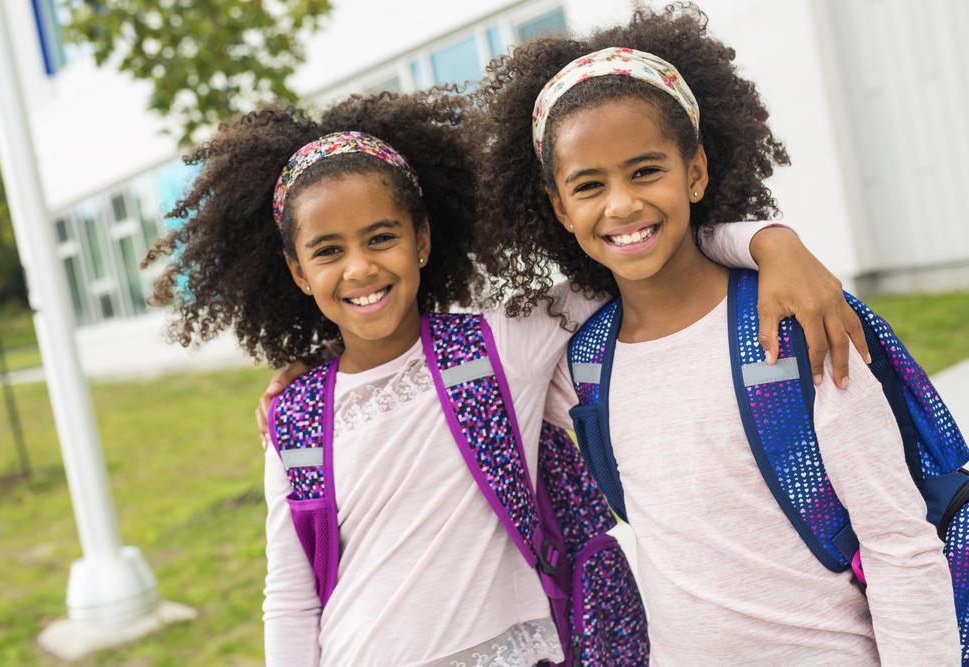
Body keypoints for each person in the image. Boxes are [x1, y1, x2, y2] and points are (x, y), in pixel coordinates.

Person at [152, 88, 861, 665]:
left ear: (423, 239)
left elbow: (630, 251)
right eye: (329, 251)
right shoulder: (297, 417)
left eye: (381, 238)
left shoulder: (499, 345)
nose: (360, 268)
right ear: (298, 272)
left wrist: (769, 241)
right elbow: (290, 594)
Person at [472, 3, 961, 664]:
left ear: (695, 171)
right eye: (589, 185)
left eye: (646, 171)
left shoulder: (792, 321)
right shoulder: (583, 364)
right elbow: (434, 344)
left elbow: (898, 541)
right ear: (559, 208)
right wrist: (319, 363)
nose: (621, 204)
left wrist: (770, 245)